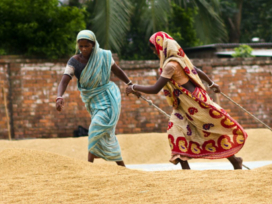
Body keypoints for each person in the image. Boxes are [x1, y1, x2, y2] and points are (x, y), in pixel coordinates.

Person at [125, 31, 247, 170]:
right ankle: (185, 168)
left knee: (211, 130)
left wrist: (134, 87)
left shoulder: (171, 65)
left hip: (195, 102)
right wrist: (211, 83)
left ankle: (235, 160)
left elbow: (155, 89)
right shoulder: (179, 60)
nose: (154, 53)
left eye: (154, 49)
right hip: (183, 105)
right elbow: (196, 70)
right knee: (175, 130)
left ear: (161, 47)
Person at [56, 30, 132, 167]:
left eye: (87, 46)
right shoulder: (74, 61)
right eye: (81, 46)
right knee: (107, 133)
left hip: (108, 98)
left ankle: (89, 165)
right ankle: (121, 166)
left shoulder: (104, 56)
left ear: (94, 45)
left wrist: (130, 84)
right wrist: (59, 96)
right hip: (93, 101)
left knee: (95, 128)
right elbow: (64, 81)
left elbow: (117, 71)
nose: (84, 49)